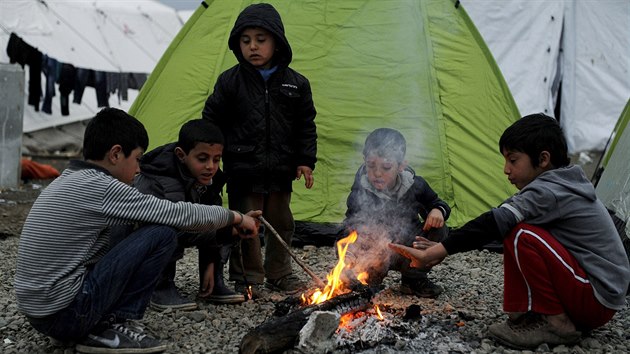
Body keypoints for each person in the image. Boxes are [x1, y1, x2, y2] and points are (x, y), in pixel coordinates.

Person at [14, 108, 261, 354]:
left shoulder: (69, 178)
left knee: (133, 229)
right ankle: (110, 327)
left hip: (41, 313)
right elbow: (177, 214)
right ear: (116, 154)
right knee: (161, 234)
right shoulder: (100, 186)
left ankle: (85, 325)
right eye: (137, 158)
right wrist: (234, 217)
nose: (139, 168)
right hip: (66, 312)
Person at [389, 113, 630, 349]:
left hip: (597, 299)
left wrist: (438, 251)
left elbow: (494, 221)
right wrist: (447, 245)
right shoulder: (556, 183)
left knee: (521, 234)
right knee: (515, 227)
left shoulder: (549, 192)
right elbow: (496, 219)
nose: (506, 169)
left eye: (513, 160)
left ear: (543, 159)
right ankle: (526, 314)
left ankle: (558, 324)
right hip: (592, 293)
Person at [202, 3, 317, 296]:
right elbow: (212, 120)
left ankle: (279, 273)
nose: (252, 46)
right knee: (246, 224)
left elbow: (306, 125)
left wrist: (305, 161)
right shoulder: (230, 82)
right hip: (243, 167)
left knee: (282, 222)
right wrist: (213, 160)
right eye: (245, 40)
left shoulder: (296, 84)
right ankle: (247, 277)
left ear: (277, 41)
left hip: (281, 168)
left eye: (260, 40)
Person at [131, 119, 245, 309]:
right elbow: (179, 224)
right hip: (140, 240)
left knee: (227, 223)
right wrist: (224, 231)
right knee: (167, 230)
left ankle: (212, 282)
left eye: (216, 159)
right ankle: (160, 287)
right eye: (203, 159)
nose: (211, 166)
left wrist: (211, 260)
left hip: (183, 227)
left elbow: (211, 214)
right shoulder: (163, 178)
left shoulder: (209, 176)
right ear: (181, 155)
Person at [341, 128, 450, 298]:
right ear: (364, 161)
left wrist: (438, 211)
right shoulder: (361, 188)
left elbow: (438, 203)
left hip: (407, 247)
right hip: (376, 250)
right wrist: (349, 248)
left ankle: (413, 279)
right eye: (371, 165)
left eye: (386, 167)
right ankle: (370, 280)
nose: (377, 173)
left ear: (401, 166)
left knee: (440, 229)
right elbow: (351, 221)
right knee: (349, 240)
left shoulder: (414, 185)